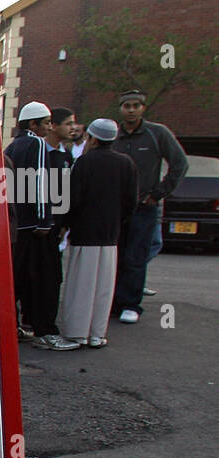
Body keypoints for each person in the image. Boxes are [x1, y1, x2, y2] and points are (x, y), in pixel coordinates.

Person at [58, 118, 138, 348]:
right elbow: (131, 201)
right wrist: (118, 221)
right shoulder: (126, 164)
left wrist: (65, 224)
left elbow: (73, 198)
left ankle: (77, 332)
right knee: (104, 288)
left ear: (93, 138)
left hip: (85, 232)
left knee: (81, 285)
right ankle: (97, 333)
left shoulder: (85, 163)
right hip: (110, 234)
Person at [110, 90, 188, 323]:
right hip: (115, 208)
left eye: (136, 106)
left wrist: (158, 193)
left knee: (136, 256)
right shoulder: (114, 136)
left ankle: (130, 304)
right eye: (127, 106)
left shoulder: (157, 133)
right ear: (121, 109)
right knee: (115, 255)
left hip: (144, 206)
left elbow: (179, 164)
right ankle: (113, 302)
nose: (131, 110)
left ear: (143, 108)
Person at [6, 101, 79, 350]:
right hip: (35, 225)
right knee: (46, 279)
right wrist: (45, 219)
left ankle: (14, 326)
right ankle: (46, 331)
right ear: (33, 124)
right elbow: (40, 181)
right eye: (46, 122)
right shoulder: (36, 143)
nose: (49, 126)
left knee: (19, 279)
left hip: (18, 226)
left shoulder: (12, 146)